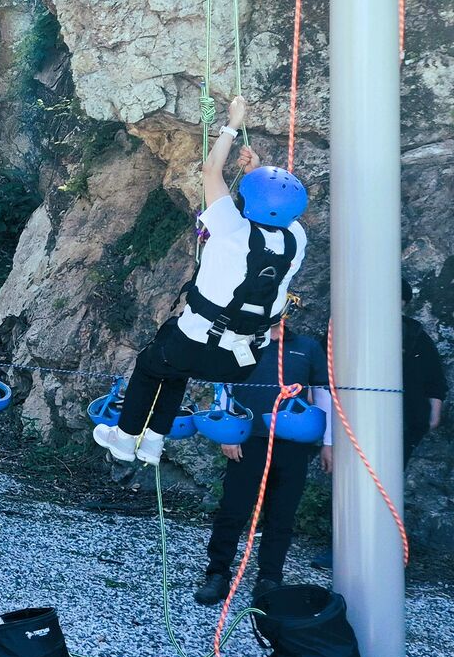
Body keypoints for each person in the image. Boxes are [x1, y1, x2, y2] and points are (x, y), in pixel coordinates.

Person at [95, 96, 309, 467]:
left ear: (251, 202)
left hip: (198, 342)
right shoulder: (296, 240)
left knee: (150, 365)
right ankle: (153, 443)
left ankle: (125, 438)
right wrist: (257, 172)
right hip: (244, 358)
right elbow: (274, 213)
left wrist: (233, 123)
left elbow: (211, 171)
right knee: (174, 368)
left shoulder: (231, 229)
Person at [193, 320, 332, 606]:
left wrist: (328, 442)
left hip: (293, 443)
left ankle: (270, 578)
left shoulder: (307, 347)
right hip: (248, 440)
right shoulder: (241, 342)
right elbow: (225, 388)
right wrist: (228, 433)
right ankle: (217, 574)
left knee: (282, 513)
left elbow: (323, 395)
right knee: (233, 510)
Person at [400, 280, 447, 463]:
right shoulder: (350, 331)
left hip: (407, 421)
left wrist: (434, 415)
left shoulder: (416, 335)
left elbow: (435, 378)